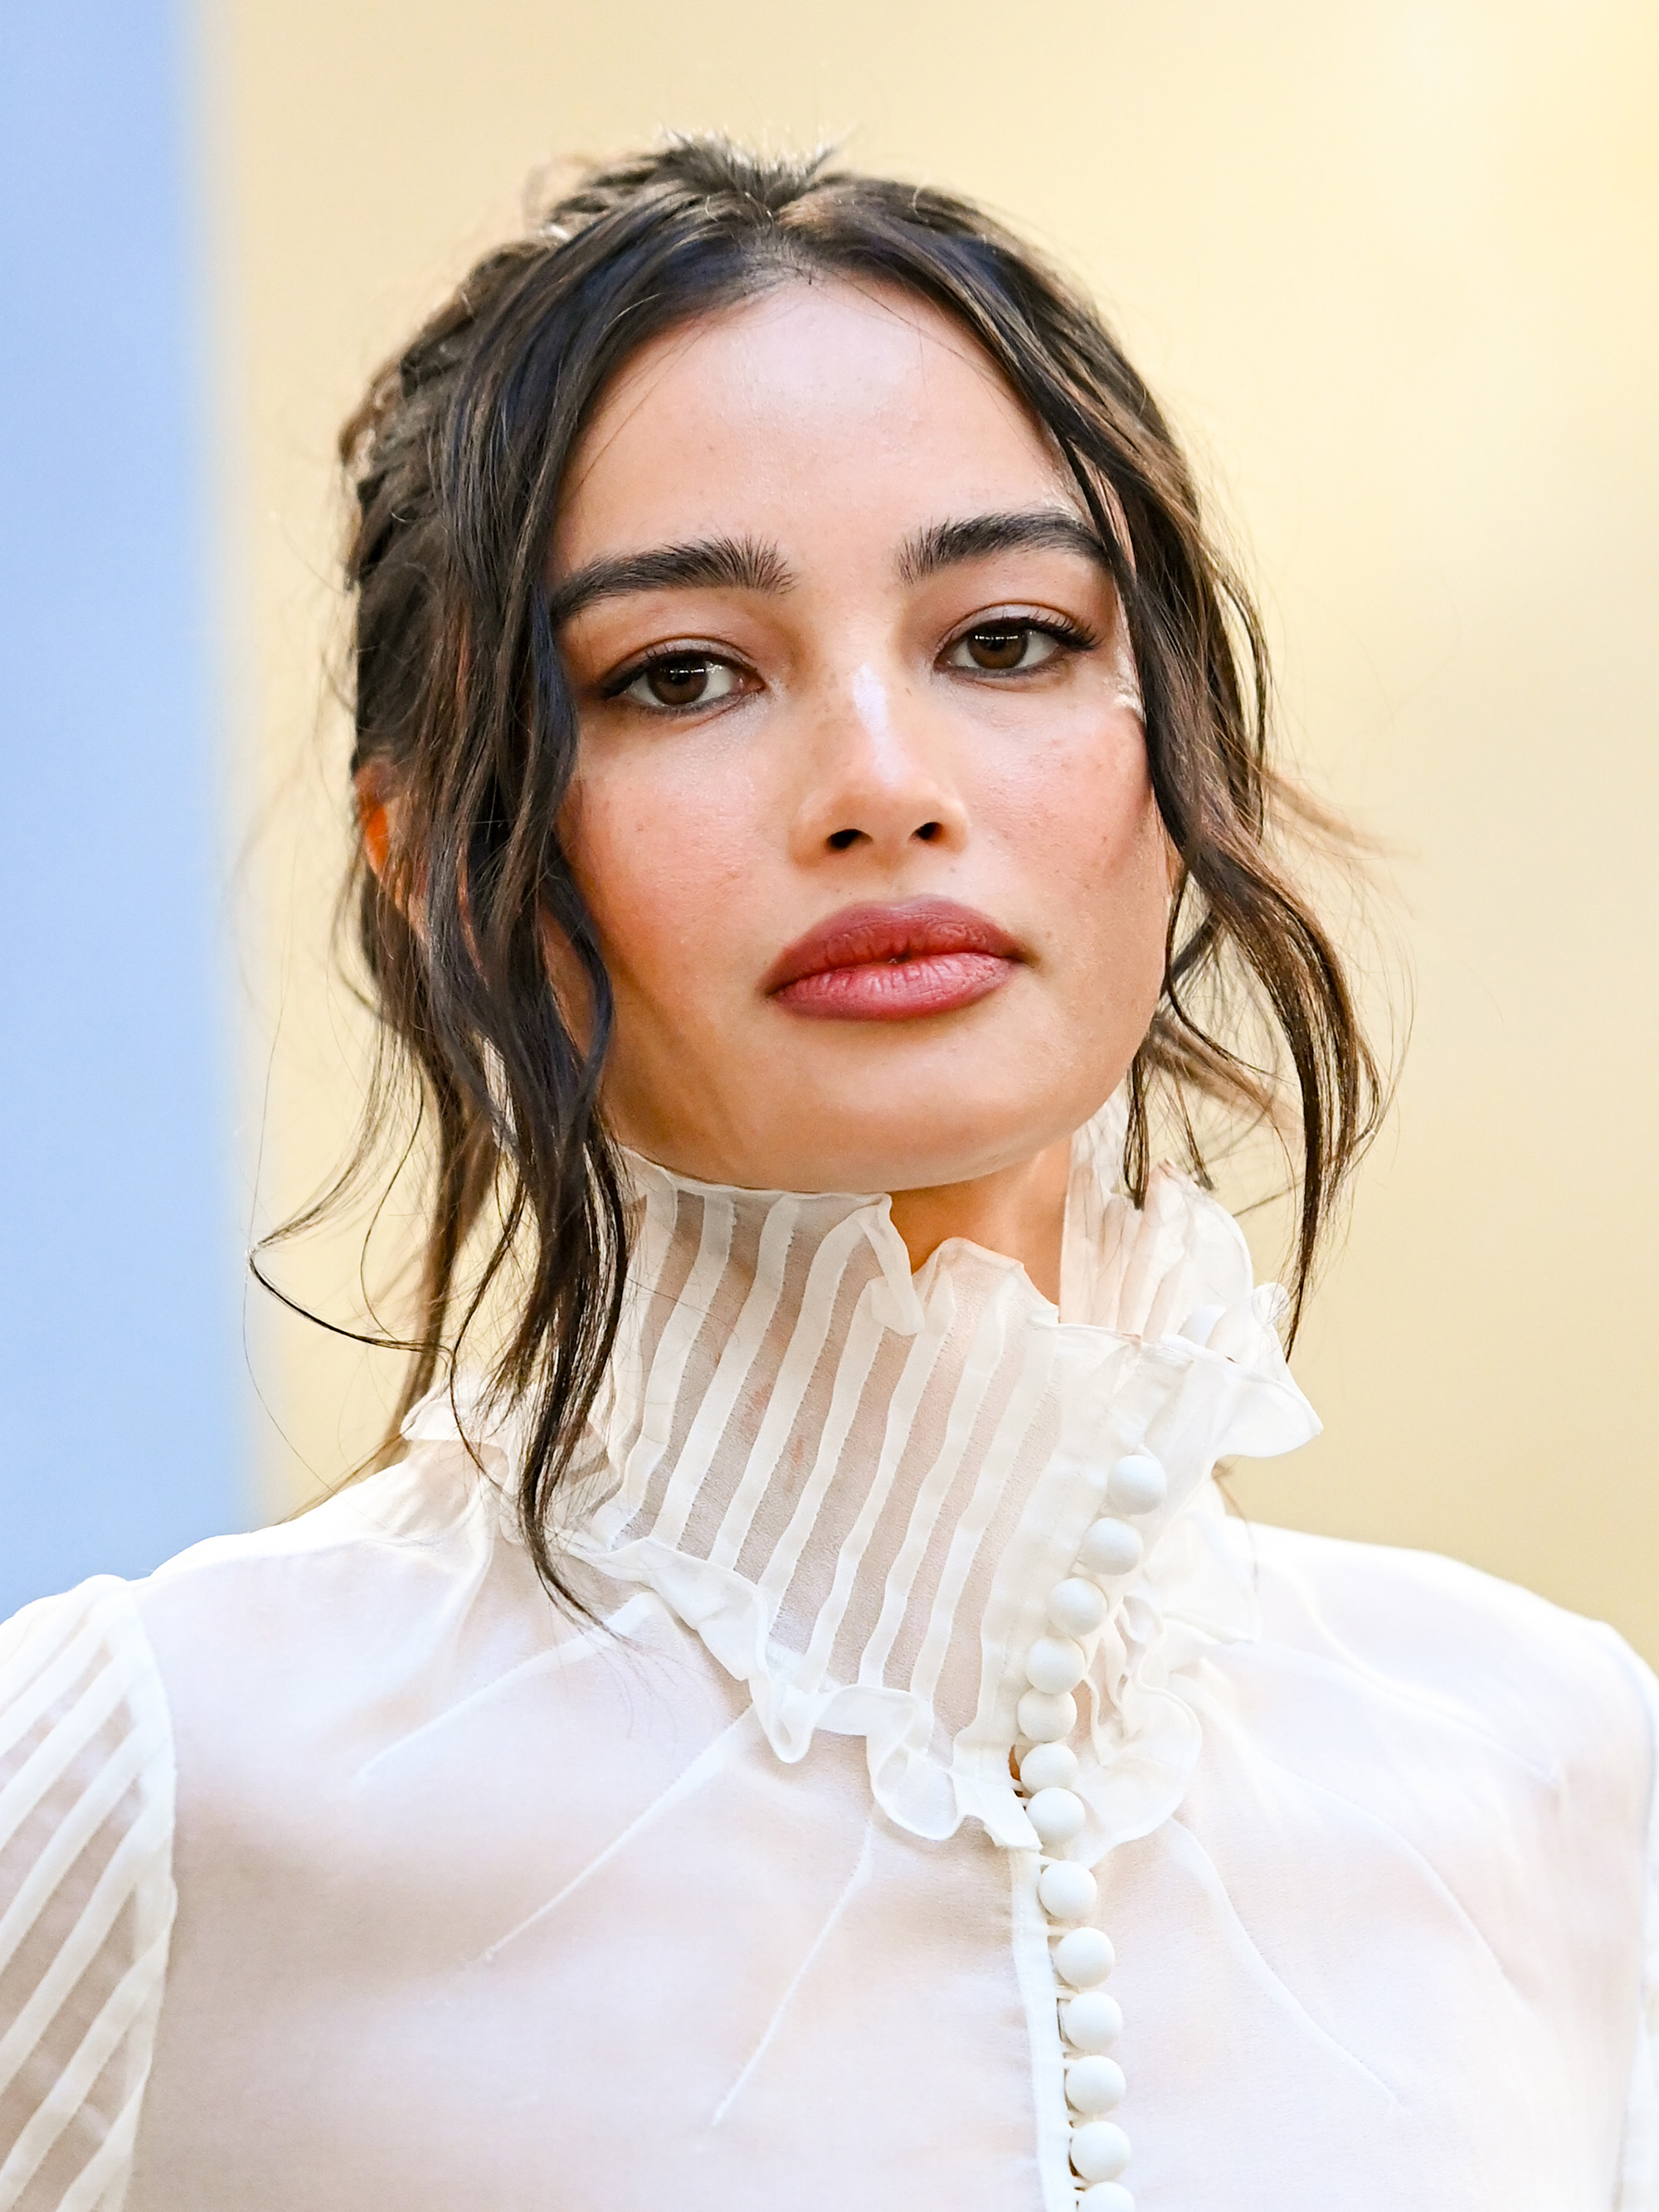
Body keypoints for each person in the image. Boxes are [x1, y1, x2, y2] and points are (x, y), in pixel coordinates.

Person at [1, 137, 1652, 2212]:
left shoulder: (1541, 1762)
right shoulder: (155, 1775)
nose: (882, 783)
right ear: (438, 869)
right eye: (678, 673)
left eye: (1010, 638)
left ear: (1181, 769)